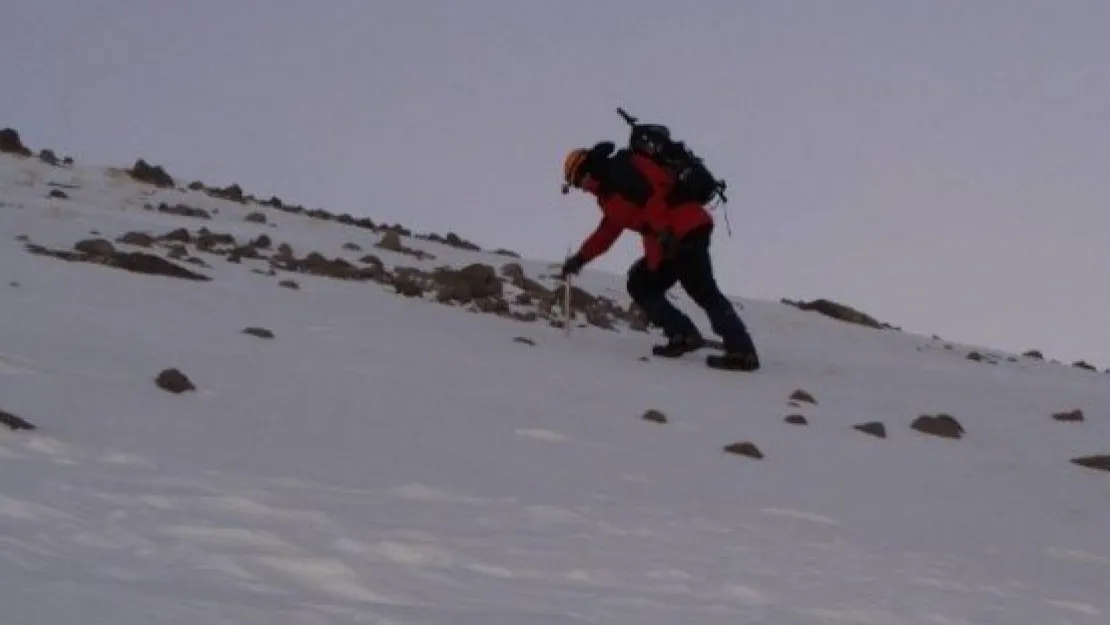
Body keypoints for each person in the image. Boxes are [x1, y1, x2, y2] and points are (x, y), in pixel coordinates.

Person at [558, 140, 761, 371]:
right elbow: (608, 231)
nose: (581, 188)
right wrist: (580, 258)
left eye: (578, 181)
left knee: (702, 289)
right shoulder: (608, 194)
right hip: (667, 242)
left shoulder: (621, 169)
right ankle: (683, 334)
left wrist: (664, 231)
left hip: (685, 229)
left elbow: (655, 192)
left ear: (585, 169)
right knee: (641, 283)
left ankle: (742, 350)